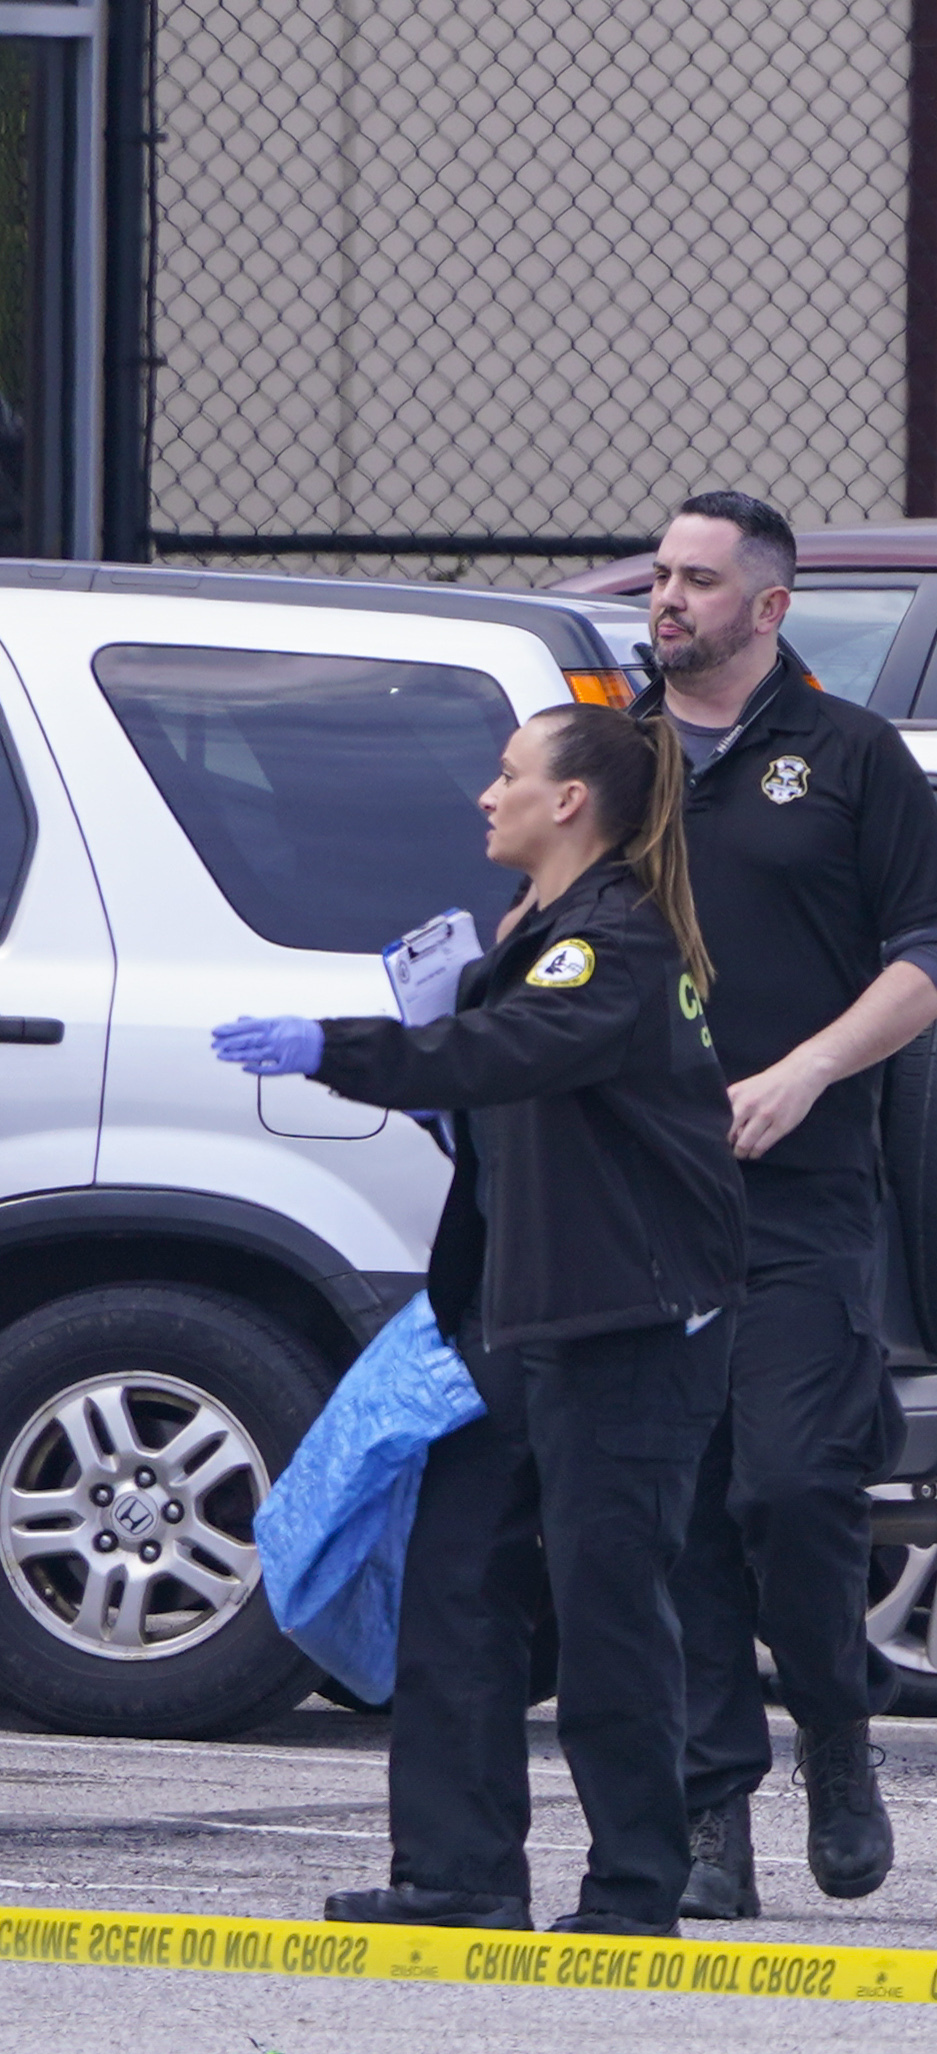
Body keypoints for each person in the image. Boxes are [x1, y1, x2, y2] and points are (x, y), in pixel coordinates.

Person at [220, 706, 745, 1932]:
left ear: (570, 803)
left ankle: (633, 1892)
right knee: (457, 1578)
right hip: (522, 1314)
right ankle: (455, 1875)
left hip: (631, 1324)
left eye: (508, 774)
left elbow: (515, 1049)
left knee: (613, 1606)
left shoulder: (609, 939)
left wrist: (342, 1048)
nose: (485, 795)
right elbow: (518, 1105)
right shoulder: (541, 936)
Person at [643, 493, 937, 1921]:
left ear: (767, 608)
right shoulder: (617, 753)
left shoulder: (848, 757)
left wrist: (806, 1069)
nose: (667, 599)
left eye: (698, 580)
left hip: (803, 1195)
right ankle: (717, 1813)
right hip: (645, 1197)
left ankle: (836, 1727)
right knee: (683, 1510)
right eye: (659, 573)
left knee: (788, 1484)